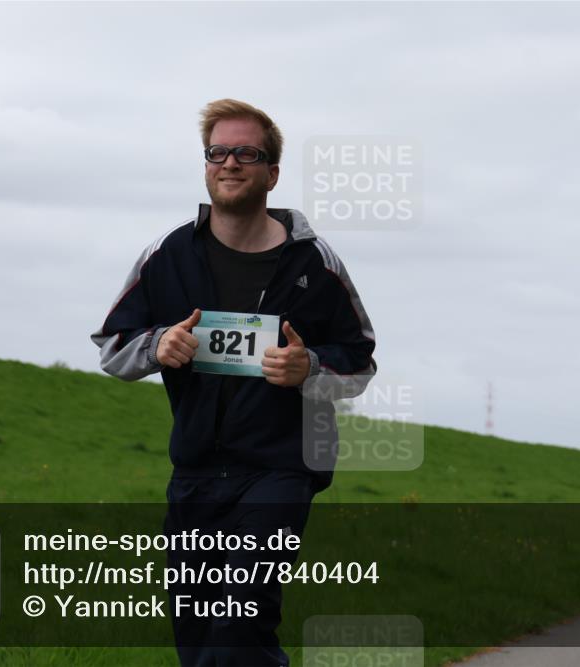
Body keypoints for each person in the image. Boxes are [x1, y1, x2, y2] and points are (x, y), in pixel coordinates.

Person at [91, 99, 376, 666]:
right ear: (206, 167)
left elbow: (361, 363)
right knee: (198, 641)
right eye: (217, 151)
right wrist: (159, 344)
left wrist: (309, 368)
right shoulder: (168, 254)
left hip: (281, 470)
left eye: (247, 152)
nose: (230, 162)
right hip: (194, 472)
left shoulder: (315, 264)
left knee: (237, 623)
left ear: (272, 172)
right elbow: (112, 346)